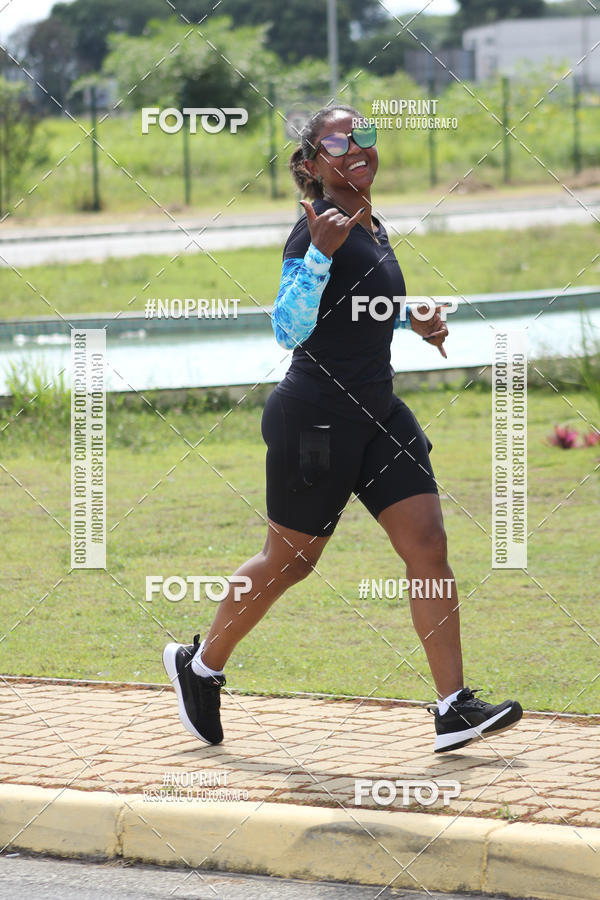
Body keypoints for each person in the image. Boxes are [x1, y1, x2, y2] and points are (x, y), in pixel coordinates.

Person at [163, 104, 523, 753]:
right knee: (292, 561)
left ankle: (452, 708)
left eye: (365, 135)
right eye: (338, 139)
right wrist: (322, 257)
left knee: (428, 546)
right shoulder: (313, 233)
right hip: (316, 421)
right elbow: (288, 327)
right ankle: (201, 666)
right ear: (310, 164)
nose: (356, 147)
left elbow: (355, 310)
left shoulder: (371, 224)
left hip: (378, 413)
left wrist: (412, 317)